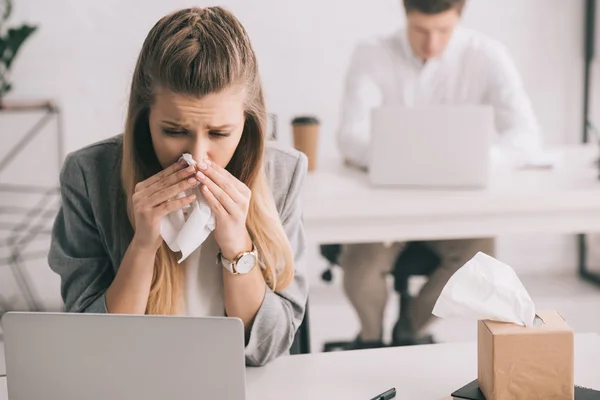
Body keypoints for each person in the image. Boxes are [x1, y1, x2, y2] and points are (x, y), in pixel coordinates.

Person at [48, 6, 308, 367]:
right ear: (144, 118)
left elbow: (270, 346)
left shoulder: (283, 173)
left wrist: (237, 246)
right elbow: (94, 348)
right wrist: (142, 245)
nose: (198, 155)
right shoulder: (89, 176)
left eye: (219, 133)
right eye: (174, 131)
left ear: (247, 121)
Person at [336, 0, 541, 349]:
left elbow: (526, 138)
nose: (431, 43)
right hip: (386, 206)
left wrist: (472, 160)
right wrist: (406, 161)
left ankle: (411, 332)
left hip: (454, 208)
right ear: (404, 14)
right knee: (360, 266)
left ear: (460, 16)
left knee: (480, 257)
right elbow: (349, 136)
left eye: (443, 31)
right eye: (420, 30)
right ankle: (369, 341)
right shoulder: (371, 53)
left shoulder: (488, 55)